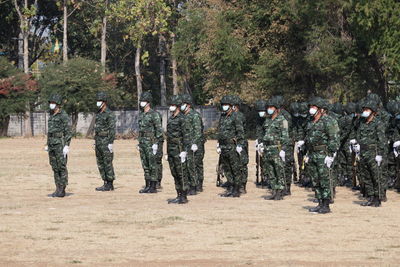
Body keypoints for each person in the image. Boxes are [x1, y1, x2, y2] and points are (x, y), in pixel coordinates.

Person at [304, 97, 339, 213]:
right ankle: (319, 202)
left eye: (314, 107)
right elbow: (308, 139)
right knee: (316, 180)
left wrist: (331, 155)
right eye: (311, 107)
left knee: (325, 180)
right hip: (313, 153)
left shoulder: (329, 121)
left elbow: (334, 138)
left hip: (324, 154)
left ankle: (326, 204)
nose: (311, 109)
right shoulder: (310, 121)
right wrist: (307, 153)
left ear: (321, 109)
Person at [355, 100, 386, 207]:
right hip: (363, 152)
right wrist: (358, 146)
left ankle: (378, 198)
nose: (365, 111)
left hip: (374, 153)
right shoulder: (362, 123)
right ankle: (371, 197)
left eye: (367, 110)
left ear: (373, 111)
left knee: (376, 176)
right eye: (364, 110)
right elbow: (358, 135)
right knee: (366, 176)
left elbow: (381, 140)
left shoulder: (378, 123)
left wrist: (380, 154)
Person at [258, 96, 290, 200]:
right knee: (270, 170)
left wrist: (283, 149)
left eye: (271, 107)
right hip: (268, 148)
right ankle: (274, 190)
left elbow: (285, 137)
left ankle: (280, 191)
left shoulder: (282, 120)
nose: (269, 109)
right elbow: (264, 134)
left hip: (277, 148)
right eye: (268, 107)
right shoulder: (267, 120)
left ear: (276, 108)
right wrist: (261, 144)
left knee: (279, 170)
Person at [217, 95, 245, 197]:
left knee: (235, 168)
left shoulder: (236, 116)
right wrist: (218, 144)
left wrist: (240, 145)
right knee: (227, 168)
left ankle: (237, 189)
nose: (224, 106)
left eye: (226, 105)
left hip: (232, 146)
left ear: (230, 106)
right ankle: (231, 187)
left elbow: (240, 132)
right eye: (223, 105)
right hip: (224, 146)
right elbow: (220, 131)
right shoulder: (223, 116)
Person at [46, 94, 72, 198]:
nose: (51, 105)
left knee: (61, 166)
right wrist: (47, 143)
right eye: (50, 103)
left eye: (53, 103)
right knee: (54, 166)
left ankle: (62, 189)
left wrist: (66, 145)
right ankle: (57, 188)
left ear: (58, 104)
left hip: (60, 143)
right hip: (52, 143)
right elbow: (50, 131)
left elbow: (68, 132)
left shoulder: (63, 115)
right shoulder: (51, 115)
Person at [137, 91, 164, 194]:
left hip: (151, 142)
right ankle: (147, 185)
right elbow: (140, 130)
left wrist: (156, 144)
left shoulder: (154, 115)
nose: (141, 103)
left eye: (143, 101)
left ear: (148, 102)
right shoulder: (141, 115)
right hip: (143, 142)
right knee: (145, 164)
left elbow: (159, 130)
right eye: (141, 101)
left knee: (152, 164)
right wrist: (139, 142)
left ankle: (153, 186)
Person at [181, 94, 205, 195]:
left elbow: (198, 131)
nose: (181, 105)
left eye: (183, 104)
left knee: (195, 165)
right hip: (187, 144)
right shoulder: (183, 116)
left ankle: (195, 186)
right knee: (188, 165)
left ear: (188, 105)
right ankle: (193, 184)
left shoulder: (194, 115)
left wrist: (195, 143)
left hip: (195, 145)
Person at [166, 95, 188, 204]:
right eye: (170, 105)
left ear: (178, 106)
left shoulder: (182, 118)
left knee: (181, 172)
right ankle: (178, 194)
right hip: (171, 148)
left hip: (179, 148)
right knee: (174, 172)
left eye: (173, 105)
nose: (171, 107)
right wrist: (167, 152)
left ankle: (183, 196)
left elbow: (186, 135)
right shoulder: (171, 118)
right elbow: (168, 136)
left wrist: (184, 151)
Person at [94, 92, 116, 191]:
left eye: (100, 101)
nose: (98, 103)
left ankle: (110, 183)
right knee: (100, 162)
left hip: (106, 141)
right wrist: (95, 140)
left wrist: (110, 142)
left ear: (104, 102)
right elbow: (97, 129)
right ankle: (105, 182)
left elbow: (112, 129)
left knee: (107, 162)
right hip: (98, 140)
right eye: (97, 100)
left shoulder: (109, 114)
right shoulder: (98, 113)